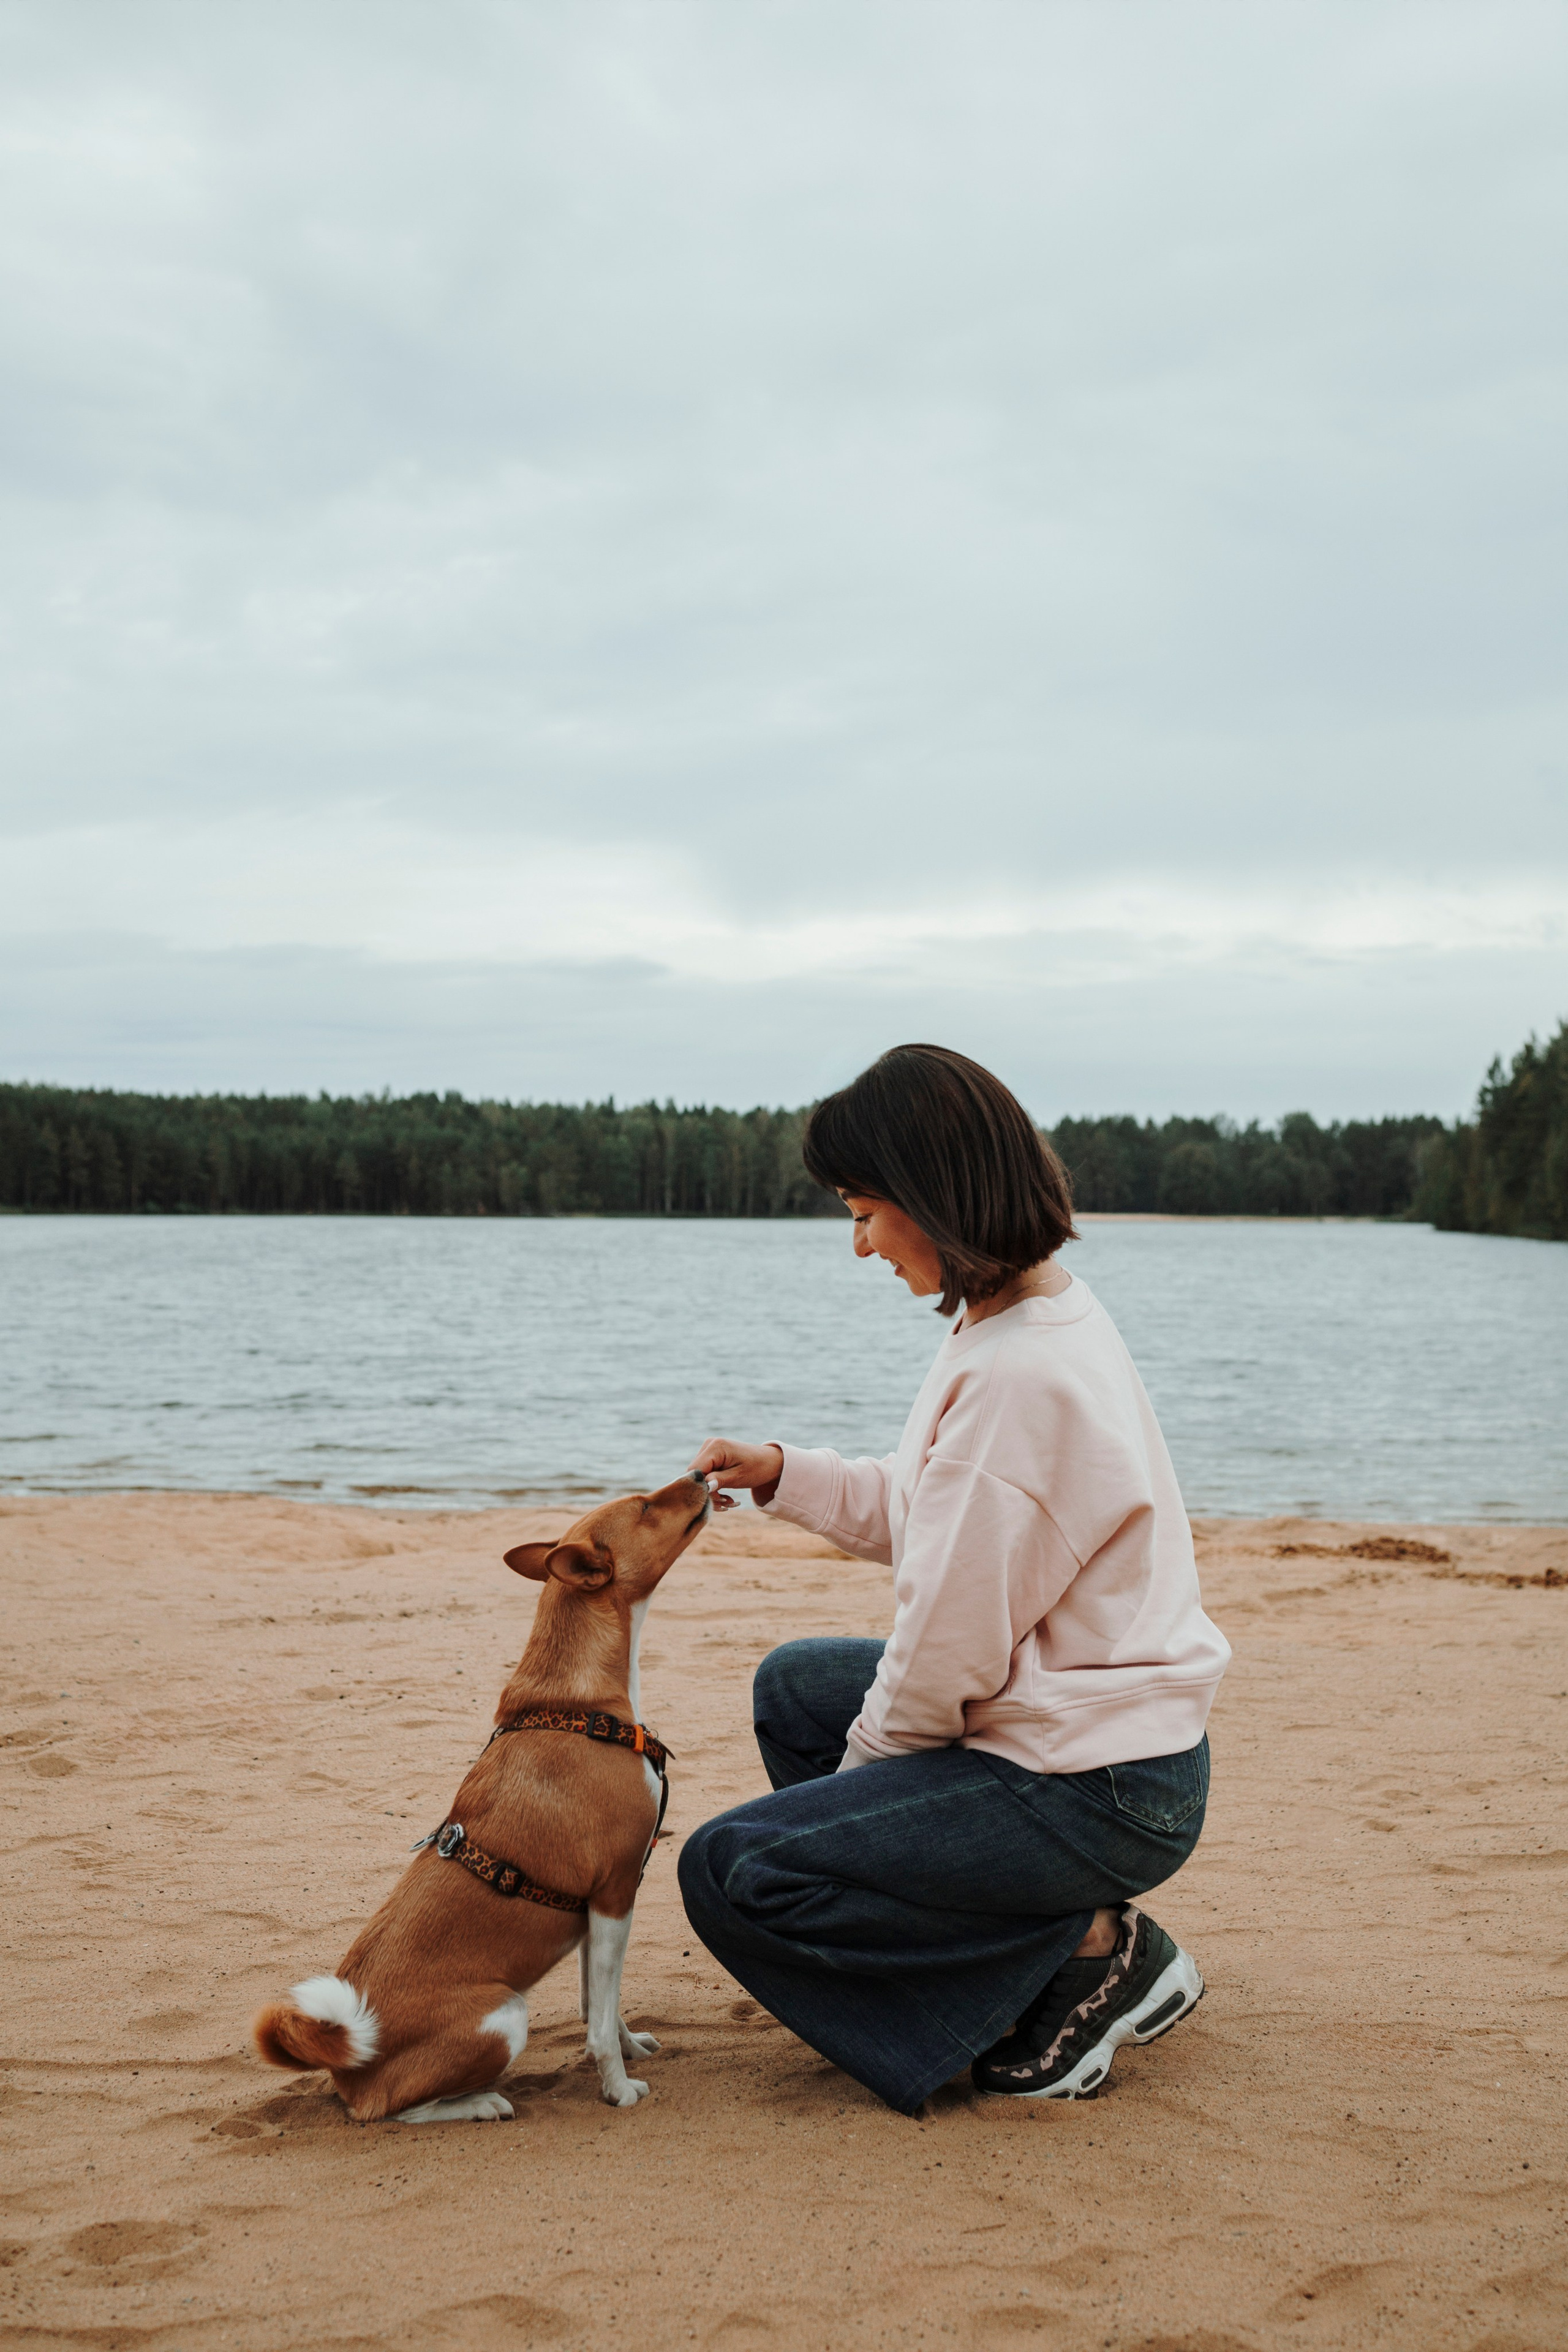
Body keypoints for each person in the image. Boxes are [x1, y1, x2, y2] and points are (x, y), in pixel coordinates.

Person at [679, 1043, 1230, 2116]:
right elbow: (936, 1507)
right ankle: (1071, 1936)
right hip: (1111, 1743)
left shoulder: (1019, 1376)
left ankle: (1089, 1957)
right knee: (795, 1688)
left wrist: (854, 1801)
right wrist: (788, 1476)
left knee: (735, 1872)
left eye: (865, 1211)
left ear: (934, 1195)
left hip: (1102, 1786)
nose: (858, 1245)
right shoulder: (1023, 1311)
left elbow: (945, 1655)